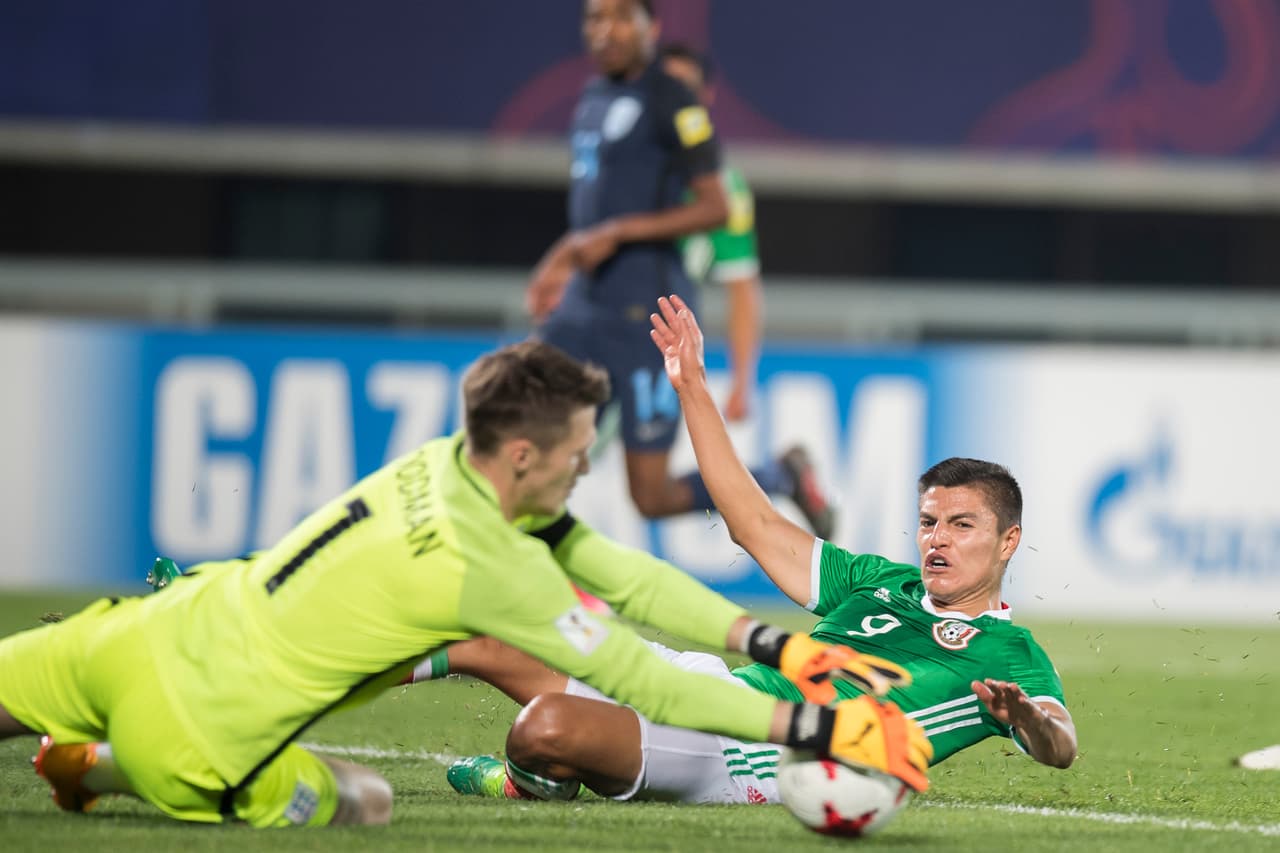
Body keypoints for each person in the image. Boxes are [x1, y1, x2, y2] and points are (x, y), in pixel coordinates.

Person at [0, 340, 929, 827]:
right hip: (198, 736)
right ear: (524, 455)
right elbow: (646, 680)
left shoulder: (444, 468)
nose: (586, 467)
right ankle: (105, 766)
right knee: (367, 801)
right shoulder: (489, 573)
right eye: (578, 452)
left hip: (134, 632)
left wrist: (771, 644)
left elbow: (628, 577)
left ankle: (83, 743)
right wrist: (823, 727)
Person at [444, 298, 1077, 804]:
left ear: (1008, 540)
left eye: (962, 525)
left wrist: (1029, 720)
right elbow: (754, 524)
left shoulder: (1010, 655)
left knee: (544, 728)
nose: (938, 538)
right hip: (712, 687)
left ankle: (528, 778)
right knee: (481, 635)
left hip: (745, 755)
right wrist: (693, 386)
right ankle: (541, 772)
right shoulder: (880, 582)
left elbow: (1062, 747)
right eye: (929, 522)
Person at [526, 0, 833, 538]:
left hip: (648, 321)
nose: (606, 31)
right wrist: (561, 261)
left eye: (621, 17)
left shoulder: (698, 149)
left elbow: (741, 283)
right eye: (595, 18)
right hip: (585, 310)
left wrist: (742, 378)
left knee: (647, 494)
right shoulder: (595, 98)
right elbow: (595, 212)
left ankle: (777, 477)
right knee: (530, 451)